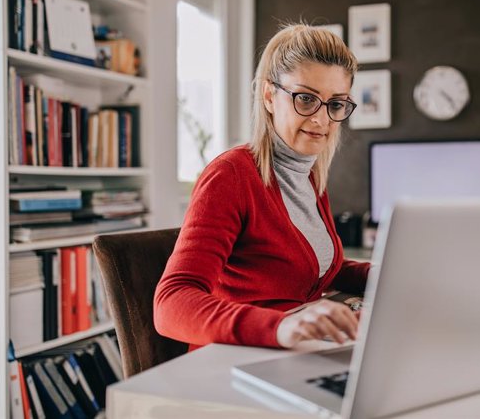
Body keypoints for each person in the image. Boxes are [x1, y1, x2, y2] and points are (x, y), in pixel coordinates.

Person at [154, 24, 370, 350]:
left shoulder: (310, 177)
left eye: (335, 104)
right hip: (237, 363)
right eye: (306, 99)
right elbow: (171, 303)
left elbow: (313, 267)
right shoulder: (231, 176)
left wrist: (386, 272)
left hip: (295, 353)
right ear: (269, 96)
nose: (321, 120)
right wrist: (282, 326)